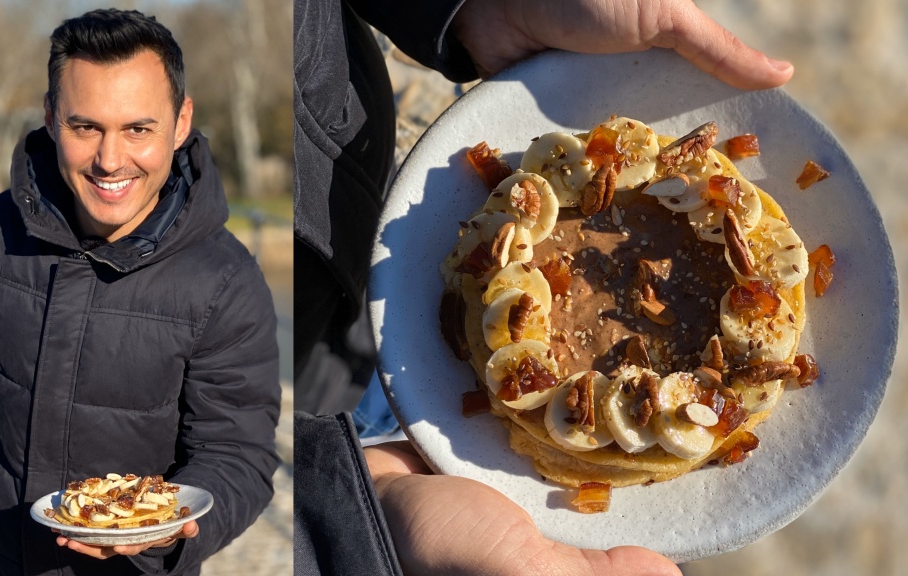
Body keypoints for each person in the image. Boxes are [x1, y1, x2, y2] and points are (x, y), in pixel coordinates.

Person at [294, 0, 792, 574]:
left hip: (342, 161)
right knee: (343, 380)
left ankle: (354, 414)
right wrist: (351, 513)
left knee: (352, 366)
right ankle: (352, 421)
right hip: (319, 317)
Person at [0, 9, 280, 576]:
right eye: (86, 127)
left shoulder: (225, 281)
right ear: (51, 118)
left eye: (138, 129)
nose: (109, 160)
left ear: (181, 123)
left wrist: (162, 535)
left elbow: (236, 454)